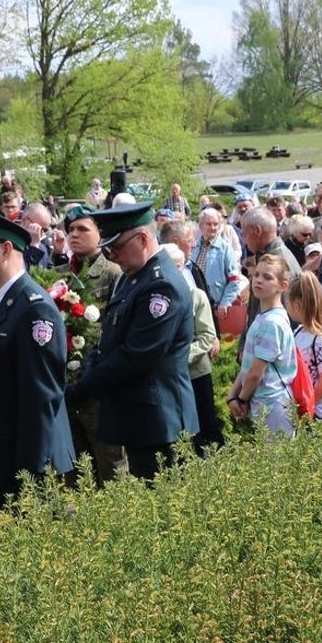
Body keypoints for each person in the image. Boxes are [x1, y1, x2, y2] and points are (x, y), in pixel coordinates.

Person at [67, 203, 199, 481]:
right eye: (108, 250)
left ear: (142, 239)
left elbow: (136, 356)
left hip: (159, 421)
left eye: (116, 248)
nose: (112, 256)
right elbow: (110, 338)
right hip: (139, 415)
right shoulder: (134, 277)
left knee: (163, 499)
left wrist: (81, 389)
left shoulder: (161, 285)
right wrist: (90, 367)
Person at [0, 208, 76, 512]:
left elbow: (42, 397)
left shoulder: (34, 309)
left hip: (24, 465)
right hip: (2, 457)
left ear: (6, 249)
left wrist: (32, 473)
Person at [59, 204, 128, 483]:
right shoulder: (59, 274)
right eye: (70, 230)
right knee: (75, 469)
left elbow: (118, 330)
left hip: (99, 385)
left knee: (111, 465)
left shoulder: (113, 273)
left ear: (99, 234)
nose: (74, 234)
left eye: (82, 229)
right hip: (67, 384)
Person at [160, 241, 223, 452]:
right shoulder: (157, 300)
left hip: (195, 371)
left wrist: (180, 357)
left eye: (178, 266)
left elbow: (207, 336)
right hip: (169, 377)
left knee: (206, 424)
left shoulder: (196, 296)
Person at [227, 255, 298, 438]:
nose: (258, 280)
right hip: (265, 403)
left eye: (267, 277)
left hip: (273, 404)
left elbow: (255, 373)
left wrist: (241, 399)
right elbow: (248, 366)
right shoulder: (264, 317)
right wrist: (233, 395)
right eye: (256, 275)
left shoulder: (271, 323)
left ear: (282, 286)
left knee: (277, 454)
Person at [288, 274, 322, 424]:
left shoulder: (320, 339)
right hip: (302, 409)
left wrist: (308, 409)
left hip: (319, 415)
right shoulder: (297, 332)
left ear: (297, 305)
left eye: (287, 303)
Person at [193, 208, 244, 326]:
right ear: (201, 225)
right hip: (194, 305)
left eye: (216, 224)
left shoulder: (225, 248)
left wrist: (225, 302)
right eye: (209, 224)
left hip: (215, 307)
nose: (213, 227)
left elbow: (234, 279)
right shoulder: (194, 246)